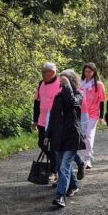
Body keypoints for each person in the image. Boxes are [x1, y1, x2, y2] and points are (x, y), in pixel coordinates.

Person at [47, 70, 84, 207]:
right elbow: (53, 117)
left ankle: (60, 196)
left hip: (72, 136)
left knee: (63, 167)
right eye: (62, 81)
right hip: (58, 136)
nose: (62, 83)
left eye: (65, 81)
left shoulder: (78, 95)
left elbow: (72, 102)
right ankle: (73, 185)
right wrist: (48, 134)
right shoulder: (58, 96)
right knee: (64, 167)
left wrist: (68, 87)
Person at [33, 62, 62, 175]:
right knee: (42, 144)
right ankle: (55, 163)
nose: (42, 74)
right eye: (42, 71)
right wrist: (35, 120)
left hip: (55, 121)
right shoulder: (41, 84)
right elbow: (36, 102)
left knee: (55, 146)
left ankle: (55, 169)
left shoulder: (60, 83)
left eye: (45, 72)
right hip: (42, 120)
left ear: (53, 72)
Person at [79, 63, 106, 172]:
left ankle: (88, 159)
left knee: (89, 135)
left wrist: (101, 116)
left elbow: (102, 100)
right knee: (83, 135)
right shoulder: (80, 84)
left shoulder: (99, 85)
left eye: (90, 71)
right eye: (86, 71)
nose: (87, 74)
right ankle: (84, 157)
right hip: (82, 113)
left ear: (94, 72)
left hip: (93, 113)